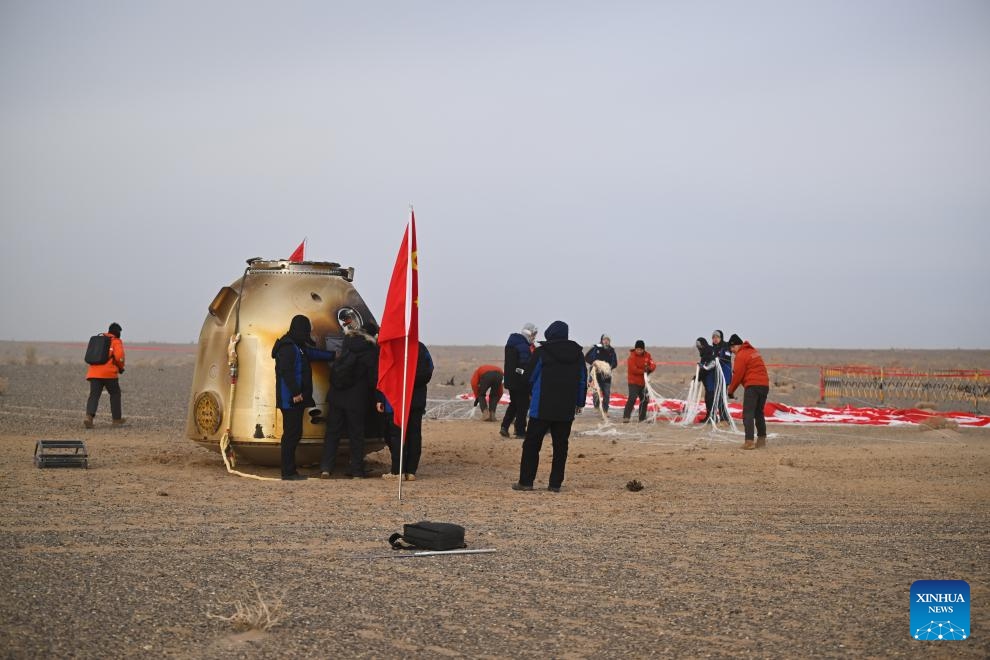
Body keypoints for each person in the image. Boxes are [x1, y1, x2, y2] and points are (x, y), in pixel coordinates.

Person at [512, 320, 587, 493]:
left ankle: (526, 482)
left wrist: (529, 391)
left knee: (532, 445)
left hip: (541, 407)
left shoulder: (541, 352)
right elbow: (582, 380)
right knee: (561, 447)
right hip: (566, 409)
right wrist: (579, 402)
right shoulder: (577, 355)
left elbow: (530, 377)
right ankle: (555, 484)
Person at [272, 315, 335, 480]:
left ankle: (290, 470)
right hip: (291, 400)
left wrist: (334, 355)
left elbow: (312, 353)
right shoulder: (287, 348)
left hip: (294, 400)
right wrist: (295, 393)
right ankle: (288, 472)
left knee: (294, 433)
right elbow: (286, 372)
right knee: (291, 435)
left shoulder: (296, 346)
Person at [320, 322, 380, 478]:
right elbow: (373, 377)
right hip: (356, 397)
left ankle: (326, 467)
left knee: (333, 432)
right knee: (356, 434)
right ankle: (357, 471)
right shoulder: (371, 350)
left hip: (336, 394)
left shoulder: (347, 342)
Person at [383, 342, 434, 480]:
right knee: (414, 434)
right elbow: (429, 370)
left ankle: (397, 471)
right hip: (417, 398)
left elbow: (385, 372)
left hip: (397, 398)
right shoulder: (421, 348)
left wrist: (405, 381)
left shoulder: (395, 347)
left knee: (397, 435)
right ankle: (411, 471)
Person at [726, 333, 770, 450]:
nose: (732, 351)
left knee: (748, 414)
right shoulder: (753, 352)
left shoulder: (741, 355)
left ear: (737, 345)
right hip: (764, 385)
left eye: (732, 348)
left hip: (753, 386)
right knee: (759, 413)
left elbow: (737, 375)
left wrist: (730, 391)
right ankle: (761, 441)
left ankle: (749, 441)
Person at [84, 322, 126, 428]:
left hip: (93, 373)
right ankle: (116, 420)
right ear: (118, 332)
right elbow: (119, 357)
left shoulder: (99, 340)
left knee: (94, 395)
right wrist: (121, 367)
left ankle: (89, 417)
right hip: (109, 374)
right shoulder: (116, 341)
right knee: (115, 393)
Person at [499, 323, 537, 439]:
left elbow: (513, 366)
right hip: (520, 382)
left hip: (510, 380)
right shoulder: (523, 347)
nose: (534, 338)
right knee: (522, 406)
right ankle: (520, 431)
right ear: (529, 333)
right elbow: (523, 366)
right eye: (534, 335)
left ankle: (504, 426)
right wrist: (527, 376)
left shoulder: (511, 344)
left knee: (514, 404)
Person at [622, 340, 656, 423]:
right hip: (633, 382)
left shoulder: (647, 355)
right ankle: (626, 417)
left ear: (643, 349)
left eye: (641, 349)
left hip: (644, 383)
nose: (639, 351)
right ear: (635, 349)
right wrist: (644, 371)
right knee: (632, 398)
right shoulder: (631, 357)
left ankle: (642, 418)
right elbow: (633, 369)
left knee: (645, 399)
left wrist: (650, 369)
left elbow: (653, 364)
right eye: (637, 349)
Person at [585, 333, 618, 413]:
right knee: (596, 392)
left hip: (606, 376)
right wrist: (593, 362)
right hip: (595, 375)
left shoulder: (611, 351)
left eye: (608, 340)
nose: (606, 341)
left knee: (606, 393)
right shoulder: (596, 348)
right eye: (604, 340)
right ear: (601, 340)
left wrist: (609, 367)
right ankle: (597, 407)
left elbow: (615, 363)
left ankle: (605, 410)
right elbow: (586, 357)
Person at [710, 329, 733, 421]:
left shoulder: (726, 347)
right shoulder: (713, 349)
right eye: (713, 337)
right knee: (717, 398)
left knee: (721, 398)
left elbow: (726, 358)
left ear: (721, 338)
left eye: (717, 337)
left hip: (724, 377)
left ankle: (725, 418)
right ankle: (719, 417)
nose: (715, 339)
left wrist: (717, 359)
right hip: (717, 377)